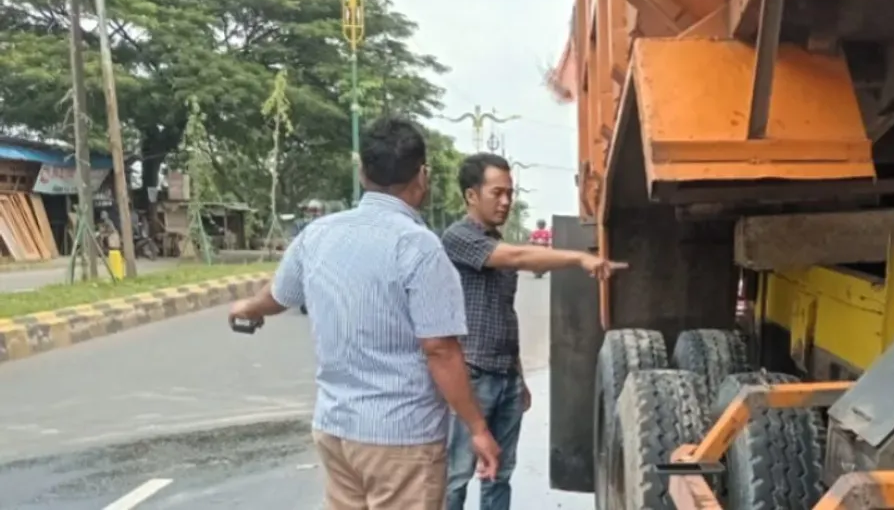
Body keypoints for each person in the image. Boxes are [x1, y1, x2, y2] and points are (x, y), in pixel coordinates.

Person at [228, 116, 501, 510]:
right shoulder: (418, 246)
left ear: (362, 172)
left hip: (336, 431)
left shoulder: (318, 234)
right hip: (401, 440)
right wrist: (477, 428)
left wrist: (246, 307)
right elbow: (440, 349)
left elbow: (279, 294)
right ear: (422, 176)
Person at [441, 152, 626, 510]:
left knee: (500, 474)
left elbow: (504, 315)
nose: (506, 201)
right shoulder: (459, 238)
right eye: (497, 192)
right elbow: (518, 258)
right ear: (471, 196)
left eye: (510, 192)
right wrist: (578, 258)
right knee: (455, 478)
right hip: (471, 377)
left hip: (504, 377)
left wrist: (519, 376)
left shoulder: (495, 239)